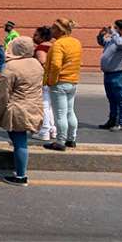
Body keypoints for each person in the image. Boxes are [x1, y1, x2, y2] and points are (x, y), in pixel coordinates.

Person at [0, 36, 44, 187]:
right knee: (21, 140)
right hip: (34, 107)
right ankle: (20, 172)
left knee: (19, 142)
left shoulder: (11, 67)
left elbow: (2, 94)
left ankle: (21, 175)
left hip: (18, 109)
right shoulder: (36, 64)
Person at [43, 18, 82, 151]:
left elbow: (55, 64)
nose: (51, 30)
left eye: (53, 28)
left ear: (59, 30)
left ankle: (60, 141)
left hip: (60, 82)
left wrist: (51, 80)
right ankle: (72, 139)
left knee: (60, 114)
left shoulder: (59, 44)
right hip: (73, 81)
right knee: (70, 111)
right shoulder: (76, 42)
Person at [97, 20, 122, 131]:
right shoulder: (113, 39)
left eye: (116, 27)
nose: (113, 29)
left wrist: (114, 33)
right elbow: (102, 42)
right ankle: (112, 120)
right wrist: (101, 34)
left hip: (118, 74)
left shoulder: (120, 40)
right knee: (111, 99)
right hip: (108, 73)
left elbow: (120, 43)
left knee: (121, 99)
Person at [31, 26, 56, 141]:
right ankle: (52, 129)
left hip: (44, 80)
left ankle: (45, 130)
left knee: (44, 105)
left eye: (36, 35)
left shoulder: (41, 48)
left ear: (42, 37)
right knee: (50, 106)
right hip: (53, 79)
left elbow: (43, 63)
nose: (33, 37)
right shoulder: (54, 46)